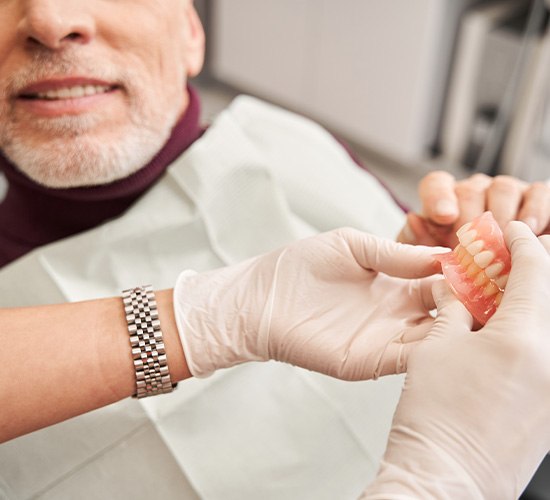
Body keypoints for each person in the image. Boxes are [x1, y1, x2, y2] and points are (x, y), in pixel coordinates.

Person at [0, 1, 549, 498]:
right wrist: (449, 480)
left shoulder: (285, 144)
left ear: (192, 33)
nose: (49, 20)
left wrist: (486, 288)